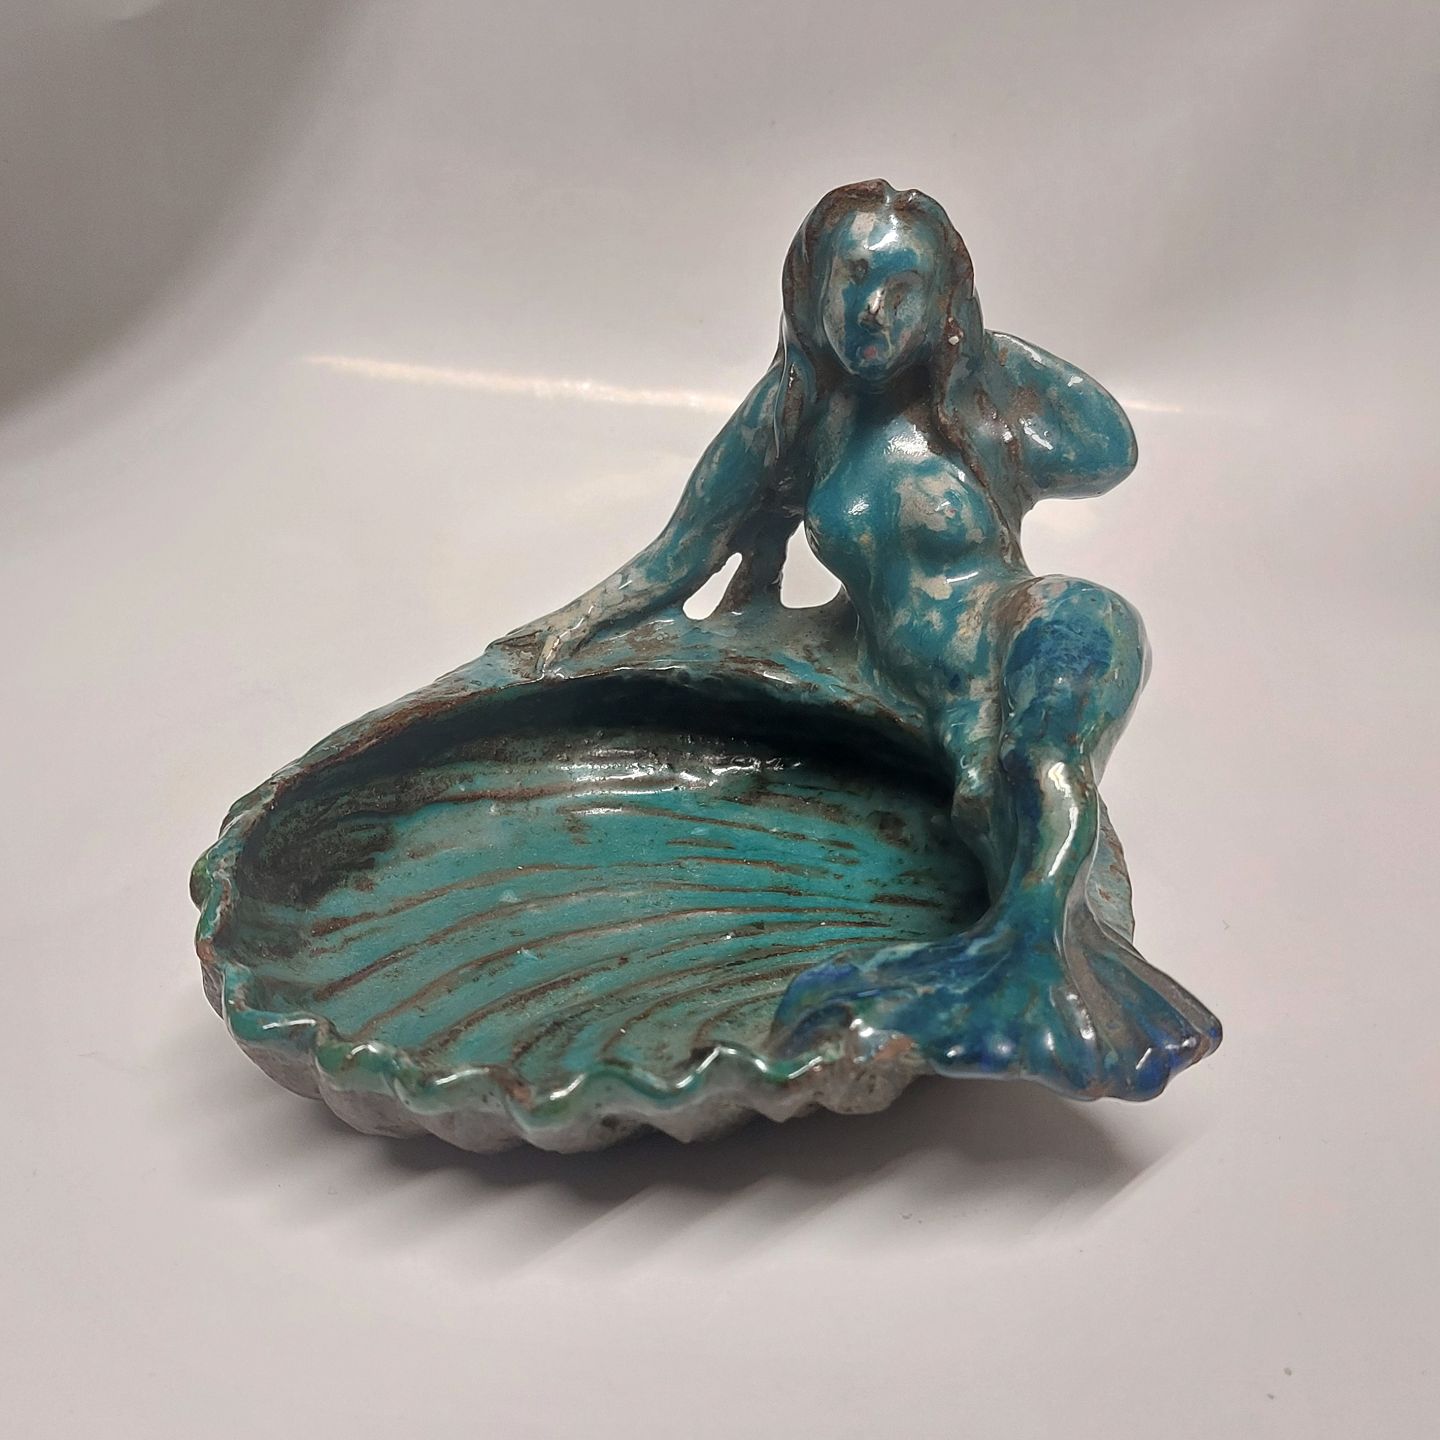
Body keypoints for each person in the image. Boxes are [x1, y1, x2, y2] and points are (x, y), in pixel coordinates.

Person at [498, 179, 1220, 1097]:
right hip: (913, 686)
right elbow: (682, 549)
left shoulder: (975, 415)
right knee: (987, 801)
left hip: (1037, 624)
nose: (873, 310)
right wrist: (573, 622)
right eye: (853, 278)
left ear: (942, 303)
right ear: (812, 286)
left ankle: (1035, 958)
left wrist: (978, 346)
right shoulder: (793, 416)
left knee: (1041, 765)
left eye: (906, 287)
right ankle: (1026, 963)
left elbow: (1110, 448)